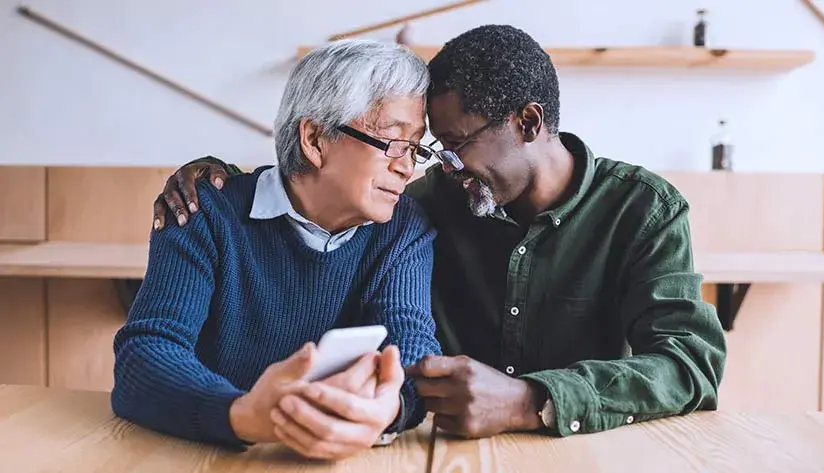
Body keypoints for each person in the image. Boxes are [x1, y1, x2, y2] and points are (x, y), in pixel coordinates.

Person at [151, 25, 726, 441]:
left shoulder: (642, 209)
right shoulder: (425, 203)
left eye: (453, 146)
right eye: (429, 148)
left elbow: (691, 365)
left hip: (582, 451)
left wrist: (534, 400)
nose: (429, 166)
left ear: (529, 123)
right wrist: (211, 179)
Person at [111, 38, 442, 460]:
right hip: (207, 454)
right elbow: (146, 355)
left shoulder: (403, 228)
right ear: (315, 139)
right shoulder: (205, 211)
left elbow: (414, 347)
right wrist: (243, 414)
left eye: (414, 147)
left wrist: (389, 410)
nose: (406, 166)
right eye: (393, 142)